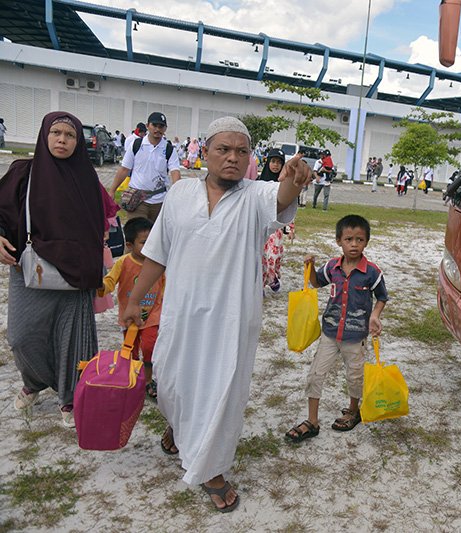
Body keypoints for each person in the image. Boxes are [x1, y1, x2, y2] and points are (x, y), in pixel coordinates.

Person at [120, 116, 311, 513]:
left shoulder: (255, 196)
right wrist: (134, 300)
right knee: (171, 381)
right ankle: (179, 424)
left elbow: (282, 196)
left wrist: (294, 176)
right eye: (223, 149)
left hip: (231, 317)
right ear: (204, 153)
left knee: (222, 390)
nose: (232, 158)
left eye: (242, 151)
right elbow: (158, 252)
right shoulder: (180, 195)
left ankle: (212, 468)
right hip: (181, 312)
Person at [0, 111, 106, 429]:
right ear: (45, 136)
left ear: (78, 142)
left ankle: (69, 396)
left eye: (70, 135)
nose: (62, 140)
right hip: (31, 269)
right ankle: (34, 382)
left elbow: (99, 227)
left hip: (76, 274)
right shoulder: (24, 172)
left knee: (71, 338)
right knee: (21, 337)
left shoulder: (87, 178)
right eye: (56, 133)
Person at [286, 214, 388, 442]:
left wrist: (375, 315)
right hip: (330, 334)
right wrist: (310, 266)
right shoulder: (332, 267)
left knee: (355, 377)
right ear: (338, 241)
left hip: (355, 337)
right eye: (349, 239)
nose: (354, 244)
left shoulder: (372, 272)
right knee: (315, 375)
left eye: (359, 240)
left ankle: (354, 410)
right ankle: (312, 421)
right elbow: (315, 282)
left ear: (366, 242)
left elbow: (382, 296)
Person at [97, 217, 164, 400]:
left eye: (152, 241)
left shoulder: (159, 262)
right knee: (130, 350)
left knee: (150, 346)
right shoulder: (124, 262)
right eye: (144, 242)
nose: (149, 246)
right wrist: (101, 287)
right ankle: (133, 380)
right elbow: (110, 281)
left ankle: (149, 380)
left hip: (152, 315)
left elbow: (166, 285)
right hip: (129, 316)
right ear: (129, 244)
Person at [108, 112, 181, 222]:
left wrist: (178, 194)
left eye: (161, 126)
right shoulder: (137, 144)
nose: (157, 129)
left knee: (155, 237)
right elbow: (124, 169)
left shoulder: (169, 149)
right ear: (148, 126)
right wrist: (112, 190)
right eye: (154, 125)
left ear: (165, 128)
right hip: (137, 200)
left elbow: (175, 173)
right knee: (137, 235)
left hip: (160, 202)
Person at [258, 148, 293, 293]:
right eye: (273, 161)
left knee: (273, 255)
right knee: (261, 257)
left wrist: (290, 227)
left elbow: (290, 205)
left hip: (276, 227)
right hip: (261, 225)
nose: (275, 165)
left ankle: (272, 278)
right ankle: (260, 285)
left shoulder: (284, 184)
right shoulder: (259, 182)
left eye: (279, 162)